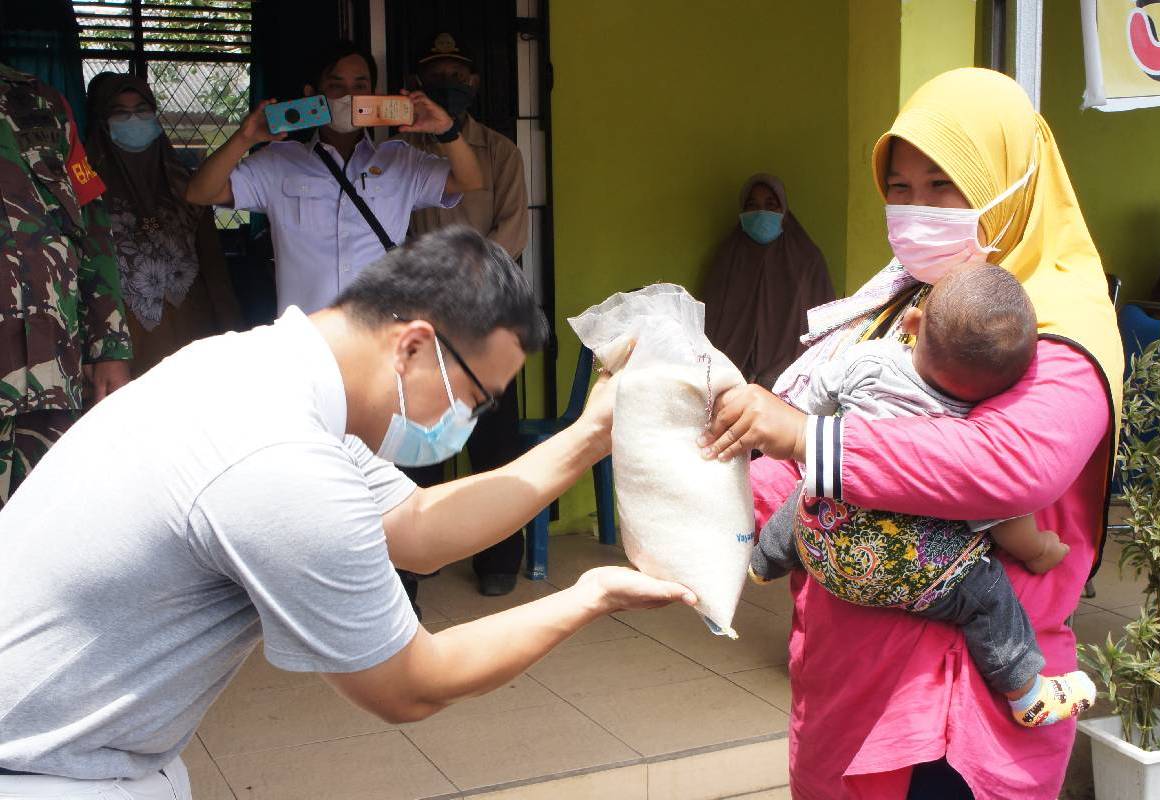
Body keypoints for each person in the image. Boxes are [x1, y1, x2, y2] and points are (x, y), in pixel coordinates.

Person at [0, 226, 694, 799]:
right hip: (49, 773)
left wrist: (591, 434)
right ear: (415, 345)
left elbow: (418, 527)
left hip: (80, 753)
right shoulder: (278, 457)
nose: (467, 421)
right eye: (476, 398)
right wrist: (589, 597)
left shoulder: (256, 376)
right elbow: (411, 687)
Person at [699, 68, 1122, 799]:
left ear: (1010, 184)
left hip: (955, 709)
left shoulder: (1059, 325)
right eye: (899, 187)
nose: (915, 210)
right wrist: (706, 513)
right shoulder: (904, 302)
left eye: (943, 185)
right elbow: (809, 448)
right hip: (848, 685)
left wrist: (805, 438)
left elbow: (1010, 464)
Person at [751, 264, 1090, 728]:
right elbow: (1001, 514)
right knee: (990, 599)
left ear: (912, 324)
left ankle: (766, 559)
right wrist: (1040, 550)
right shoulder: (970, 425)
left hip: (822, 547)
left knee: (818, 478)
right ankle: (1027, 691)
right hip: (911, 574)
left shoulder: (866, 360)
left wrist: (819, 429)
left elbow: (816, 401)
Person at [185, 40, 484, 315]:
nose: (348, 96)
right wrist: (244, 139)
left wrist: (446, 130)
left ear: (374, 95)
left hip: (379, 345)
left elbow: (469, 181)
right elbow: (200, 192)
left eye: (360, 85)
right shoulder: (279, 162)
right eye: (336, 85)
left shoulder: (400, 161)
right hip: (307, 349)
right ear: (311, 95)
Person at [400, 31, 531, 597]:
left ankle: (498, 559)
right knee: (418, 439)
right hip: (421, 317)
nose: (448, 85)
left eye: (458, 76)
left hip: (487, 316)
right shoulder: (398, 153)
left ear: (473, 84)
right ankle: (420, 555)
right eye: (438, 76)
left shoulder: (500, 151)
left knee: (494, 444)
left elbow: (513, 232)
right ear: (419, 84)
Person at [0, 62, 131, 507]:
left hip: (51, 368)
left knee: (44, 530)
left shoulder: (38, 100)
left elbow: (90, 222)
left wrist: (108, 345)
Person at [85, 72, 242, 376]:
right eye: (120, 112)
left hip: (195, 336)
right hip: (123, 348)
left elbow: (214, 268)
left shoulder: (187, 184)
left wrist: (233, 333)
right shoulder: (84, 191)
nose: (134, 120)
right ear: (102, 121)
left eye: (142, 110)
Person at [703, 173, 835, 389]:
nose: (761, 212)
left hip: (792, 387)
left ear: (783, 210)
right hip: (729, 385)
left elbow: (824, 327)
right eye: (752, 205)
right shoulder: (727, 259)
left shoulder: (807, 259)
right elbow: (711, 327)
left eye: (770, 204)